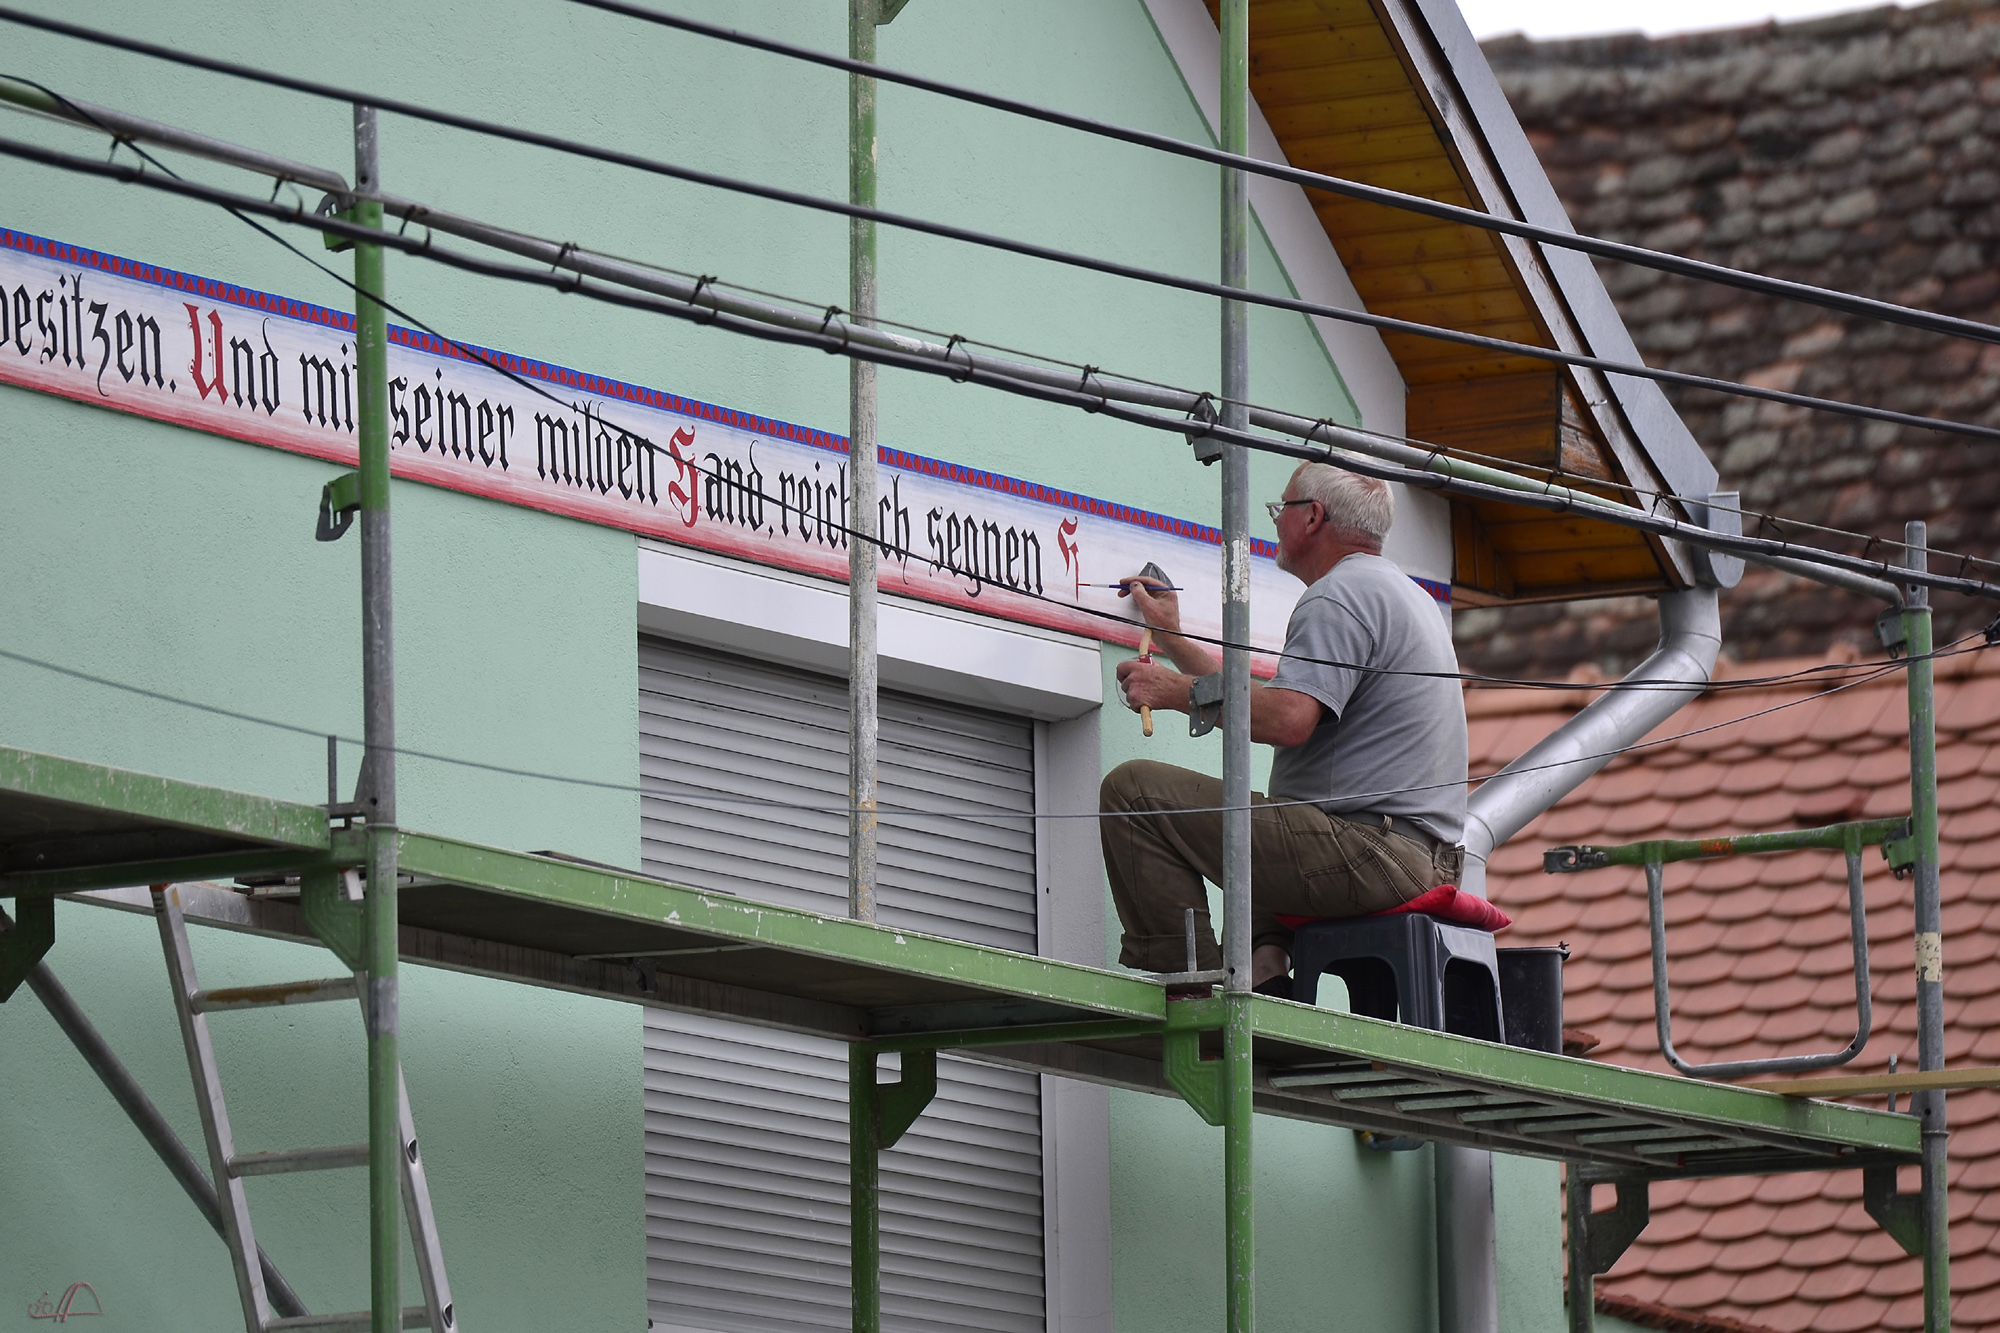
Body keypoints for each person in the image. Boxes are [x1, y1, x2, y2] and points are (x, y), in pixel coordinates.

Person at [1103, 462, 1467, 993]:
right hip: (1415, 855)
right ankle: (1266, 975)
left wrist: (1175, 694)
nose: (1274, 522)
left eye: (1282, 509)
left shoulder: (1337, 595)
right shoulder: (1400, 595)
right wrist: (1175, 642)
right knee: (1267, 833)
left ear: (1313, 517)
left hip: (1373, 853)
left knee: (1133, 792)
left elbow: (1288, 720)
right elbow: (1270, 702)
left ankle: (1197, 996)